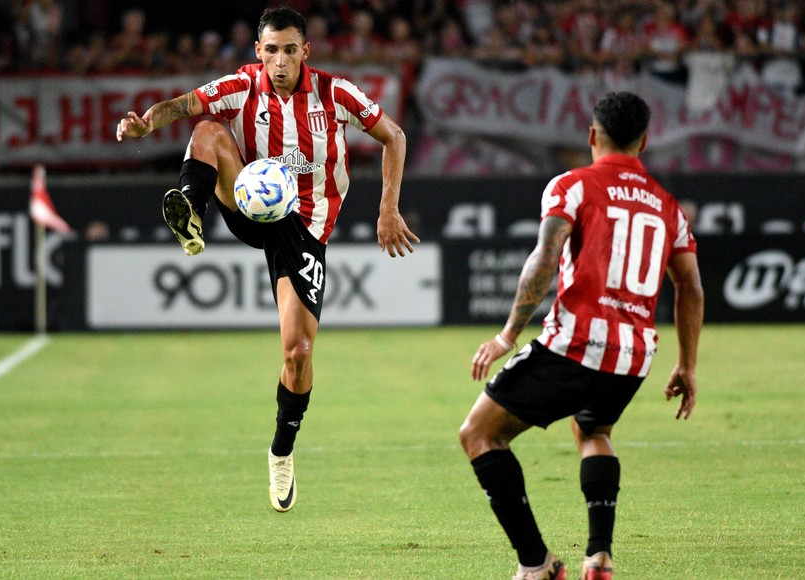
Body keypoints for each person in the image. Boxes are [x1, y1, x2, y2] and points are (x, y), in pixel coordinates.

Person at [115, 6, 419, 513]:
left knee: (298, 353)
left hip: (304, 230)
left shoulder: (335, 93)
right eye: (271, 50)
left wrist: (388, 209)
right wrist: (148, 122)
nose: (280, 61)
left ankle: (281, 451)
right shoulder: (243, 85)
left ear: (306, 52)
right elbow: (184, 105)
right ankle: (191, 211)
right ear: (258, 51)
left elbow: (395, 135)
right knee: (209, 131)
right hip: (251, 205)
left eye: (290, 50)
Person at [459, 92, 703, 580]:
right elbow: (691, 288)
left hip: (576, 345)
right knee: (594, 431)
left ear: (592, 135)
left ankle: (537, 564)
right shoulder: (668, 207)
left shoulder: (572, 185)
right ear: (644, 142)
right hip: (634, 356)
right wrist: (687, 365)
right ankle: (600, 558)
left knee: (480, 434)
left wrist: (508, 335)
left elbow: (545, 258)